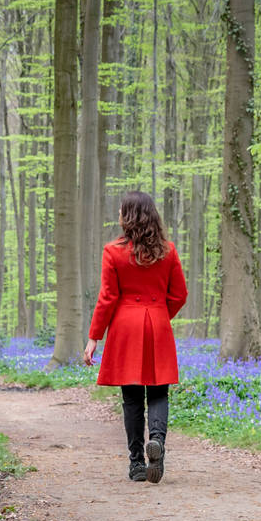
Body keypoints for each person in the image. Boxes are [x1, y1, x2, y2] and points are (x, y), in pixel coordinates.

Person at [82, 191, 188, 483]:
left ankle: (137, 464)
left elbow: (107, 298)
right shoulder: (168, 251)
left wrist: (94, 338)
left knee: (131, 398)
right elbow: (179, 295)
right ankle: (158, 442)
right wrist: (159, 315)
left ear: (127, 216)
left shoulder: (113, 251)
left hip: (125, 327)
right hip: (157, 324)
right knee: (158, 391)